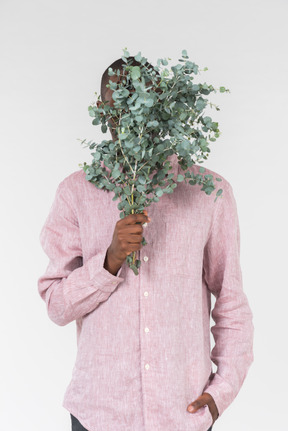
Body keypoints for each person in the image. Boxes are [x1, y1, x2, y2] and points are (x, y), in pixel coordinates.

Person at [37, 56, 254, 431]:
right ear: (101, 109)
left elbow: (231, 301)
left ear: (160, 106)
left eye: (138, 100)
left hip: (182, 414)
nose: (127, 114)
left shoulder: (208, 192)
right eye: (115, 103)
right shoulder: (76, 192)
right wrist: (110, 260)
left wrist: (222, 393)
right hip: (97, 415)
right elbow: (56, 306)